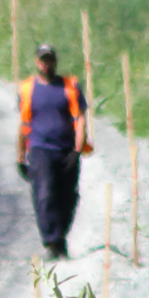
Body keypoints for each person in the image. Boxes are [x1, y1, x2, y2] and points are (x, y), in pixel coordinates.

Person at [16, 43, 91, 259]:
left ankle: (60, 237)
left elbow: (80, 119)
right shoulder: (27, 88)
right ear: (36, 62)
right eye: (42, 59)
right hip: (40, 149)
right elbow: (23, 124)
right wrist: (19, 156)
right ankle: (51, 241)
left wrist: (77, 150)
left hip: (66, 149)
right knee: (45, 195)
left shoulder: (70, 87)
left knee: (68, 197)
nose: (45, 64)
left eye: (49, 59)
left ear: (55, 62)